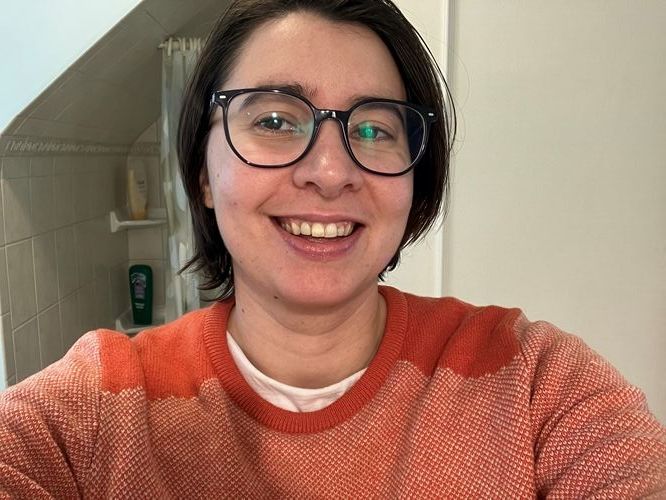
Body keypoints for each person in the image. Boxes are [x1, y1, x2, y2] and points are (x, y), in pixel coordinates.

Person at [1, 0, 665, 497]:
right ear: (203, 171)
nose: (329, 172)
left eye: (374, 129)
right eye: (274, 120)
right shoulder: (96, 408)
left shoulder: (533, 381)